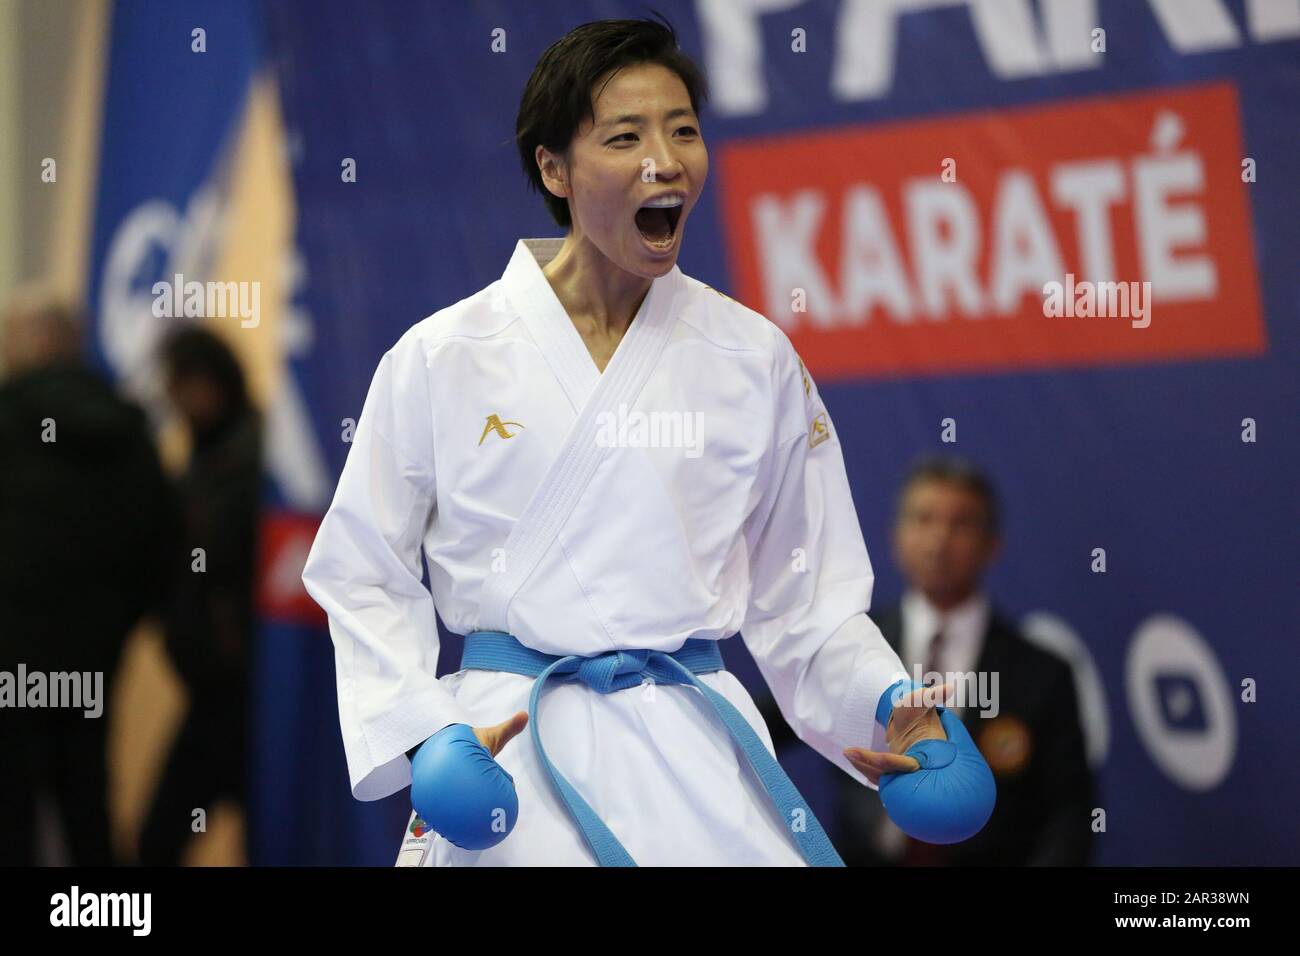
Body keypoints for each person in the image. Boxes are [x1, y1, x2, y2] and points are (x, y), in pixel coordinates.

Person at [302, 16, 971, 867]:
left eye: (683, 130)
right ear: (554, 168)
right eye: (626, 136)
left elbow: (806, 597)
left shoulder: (752, 357)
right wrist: (427, 730)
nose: (666, 161)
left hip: (696, 746)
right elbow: (362, 568)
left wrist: (889, 703)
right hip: (510, 745)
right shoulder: (443, 356)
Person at [762, 456, 1096, 865]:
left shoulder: (1041, 674)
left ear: (993, 544)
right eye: (923, 519)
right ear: (895, 537)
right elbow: (761, 722)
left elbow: (1067, 814)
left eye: (961, 524)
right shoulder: (849, 647)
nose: (939, 540)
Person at [0, 287, 172, 865]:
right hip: (95, 650)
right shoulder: (128, 430)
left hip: (13, 650)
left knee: (13, 803)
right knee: (86, 795)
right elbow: (163, 544)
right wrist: (115, 624)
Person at [139, 325, 262, 865]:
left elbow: (223, 561)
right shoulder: (211, 454)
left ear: (207, 383)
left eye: (178, 386)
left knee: (159, 838)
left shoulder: (246, 459)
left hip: (234, 689)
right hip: (221, 683)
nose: (173, 401)